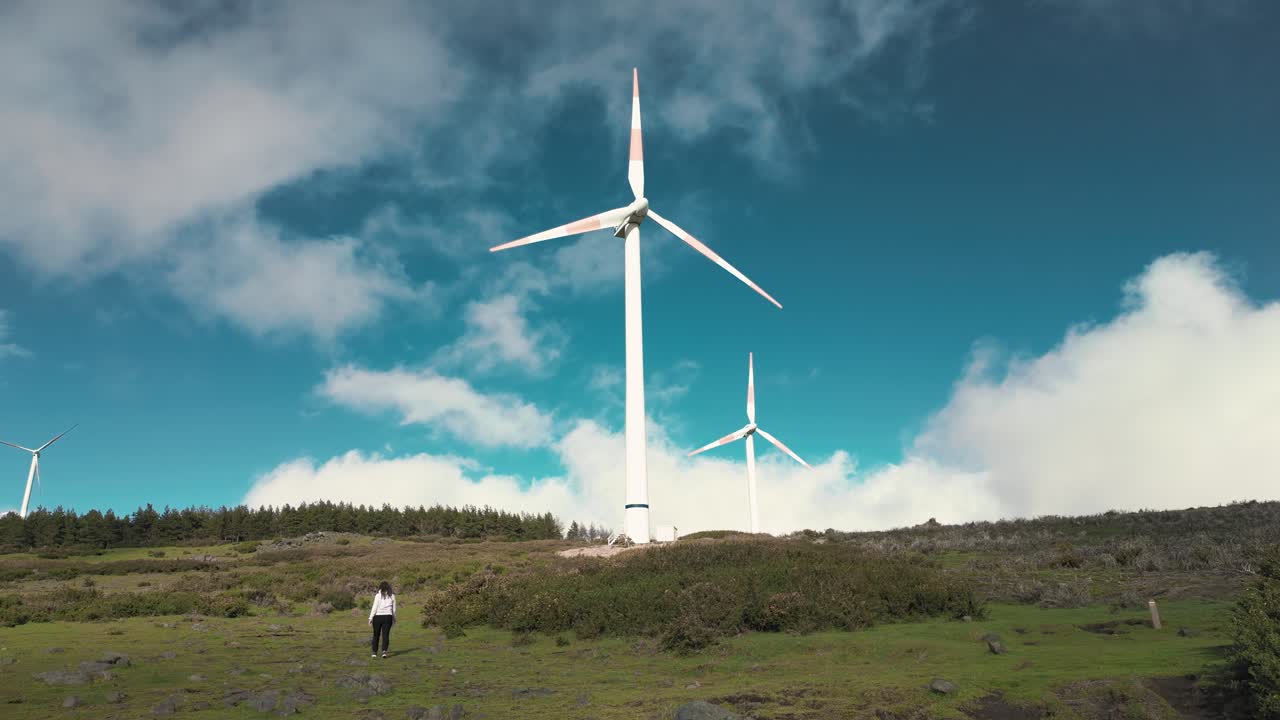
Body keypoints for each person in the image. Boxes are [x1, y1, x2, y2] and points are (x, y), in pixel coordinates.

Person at [368, 581, 396, 658]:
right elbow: (394, 609)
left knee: (376, 635)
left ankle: (374, 652)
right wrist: (394, 618)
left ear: (380, 587)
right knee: (385, 635)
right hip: (388, 617)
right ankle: (384, 652)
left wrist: (370, 618)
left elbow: (374, 607)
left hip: (377, 617)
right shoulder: (392, 596)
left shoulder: (378, 596)